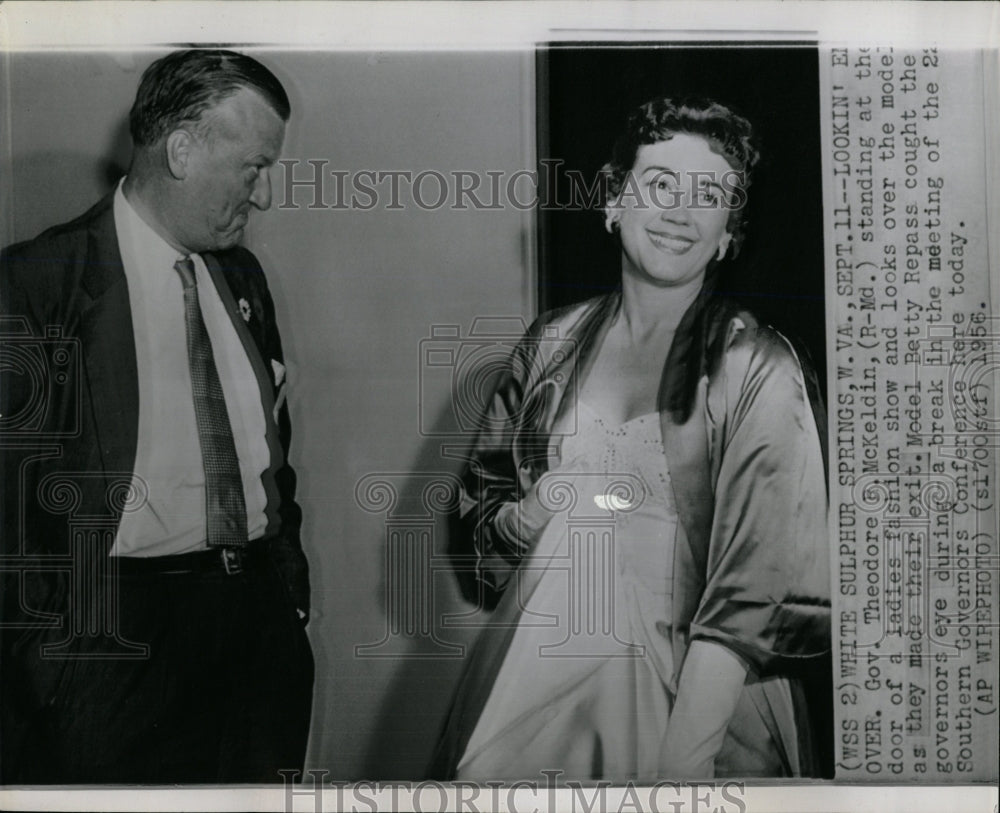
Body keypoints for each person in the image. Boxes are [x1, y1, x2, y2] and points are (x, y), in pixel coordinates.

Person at [432, 97, 831, 781]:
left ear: (729, 232)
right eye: (660, 183)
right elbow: (479, 533)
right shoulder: (550, 344)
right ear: (614, 200)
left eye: (709, 195)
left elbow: (757, 593)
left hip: (703, 705)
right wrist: (531, 515)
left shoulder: (757, 365)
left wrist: (679, 774)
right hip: (545, 687)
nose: (680, 210)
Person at [0, 49, 313, 783]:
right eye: (253, 167)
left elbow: (272, 453)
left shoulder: (242, 278)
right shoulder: (36, 287)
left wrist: (289, 598)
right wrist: (50, 663)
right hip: (111, 651)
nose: (263, 194)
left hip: (254, 635)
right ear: (181, 150)